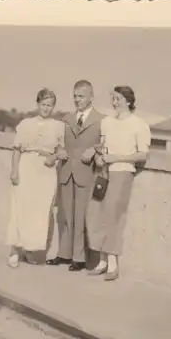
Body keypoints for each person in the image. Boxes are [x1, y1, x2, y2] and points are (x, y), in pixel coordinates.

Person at [86, 86, 151, 281]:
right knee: (95, 213)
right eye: (113, 98)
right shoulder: (106, 123)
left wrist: (116, 158)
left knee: (114, 216)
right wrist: (99, 158)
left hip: (122, 173)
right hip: (103, 174)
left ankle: (113, 264)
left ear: (129, 101)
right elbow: (102, 147)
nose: (115, 102)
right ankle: (102, 261)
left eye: (119, 99)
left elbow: (142, 155)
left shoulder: (139, 125)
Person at [47, 80, 104, 271]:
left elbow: (106, 145)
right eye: (75, 96)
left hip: (86, 174)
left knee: (81, 217)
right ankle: (63, 254)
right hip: (66, 171)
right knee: (65, 215)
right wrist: (60, 149)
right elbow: (56, 142)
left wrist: (95, 151)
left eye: (81, 96)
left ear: (91, 97)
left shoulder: (101, 120)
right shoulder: (66, 119)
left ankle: (79, 258)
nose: (77, 100)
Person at [6, 88, 67, 268]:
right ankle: (15, 250)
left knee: (40, 212)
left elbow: (62, 151)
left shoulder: (58, 126)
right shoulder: (25, 124)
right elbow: (17, 149)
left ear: (53, 107)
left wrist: (53, 157)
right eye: (43, 104)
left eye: (49, 105)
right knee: (20, 207)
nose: (46, 108)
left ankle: (31, 250)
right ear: (37, 104)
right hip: (27, 166)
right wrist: (14, 171)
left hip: (46, 172)